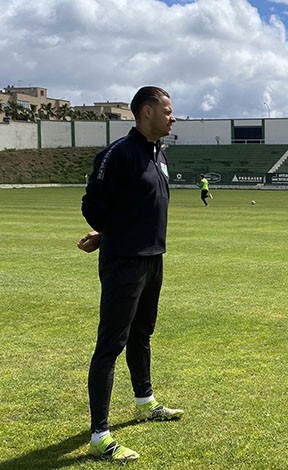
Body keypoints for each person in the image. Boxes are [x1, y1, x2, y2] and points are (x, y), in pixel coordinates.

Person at [78, 86, 183, 462]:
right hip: (125, 262)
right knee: (111, 343)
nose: (173, 117)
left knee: (142, 332)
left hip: (153, 258)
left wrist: (108, 233)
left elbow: (135, 207)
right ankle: (100, 436)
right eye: (168, 111)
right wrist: (111, 237)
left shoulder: (158, 152)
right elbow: (93, 204)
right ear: (146, 113)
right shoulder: (118, 155)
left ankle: (144, 400)